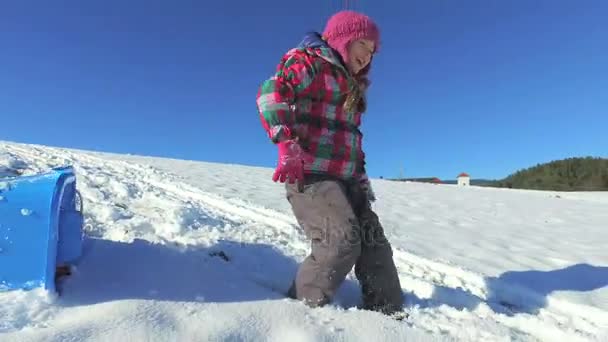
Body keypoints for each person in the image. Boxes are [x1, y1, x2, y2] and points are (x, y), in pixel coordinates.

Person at [256, 10, 404, 316]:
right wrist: (286, 143)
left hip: (348, 180)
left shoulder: (352, 88)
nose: (369, 54)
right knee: (341, 241)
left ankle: (389, 312)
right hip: (310, 175)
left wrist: (361, 179)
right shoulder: (309, 62)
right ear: (343, 38)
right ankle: (302, 311)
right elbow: (272, 93)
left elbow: (351, 139)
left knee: (374, 244)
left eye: (373, 51)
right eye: (365, 44)